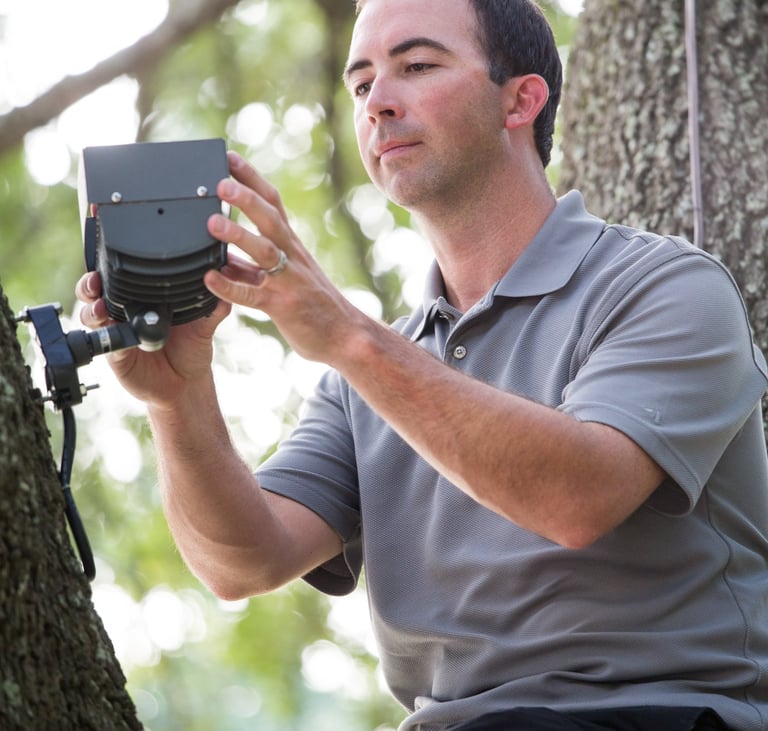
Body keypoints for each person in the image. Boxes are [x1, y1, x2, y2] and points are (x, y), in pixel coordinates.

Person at [76, 0, 768, 729]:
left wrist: (351, 337)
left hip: (656, 713)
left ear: (520, 100)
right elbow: (242, 560)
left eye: (417, 66)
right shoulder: (366, 374)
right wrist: (178, 398)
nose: (377, 102)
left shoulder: (666, 286)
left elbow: (577, 497)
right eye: (362, 82)